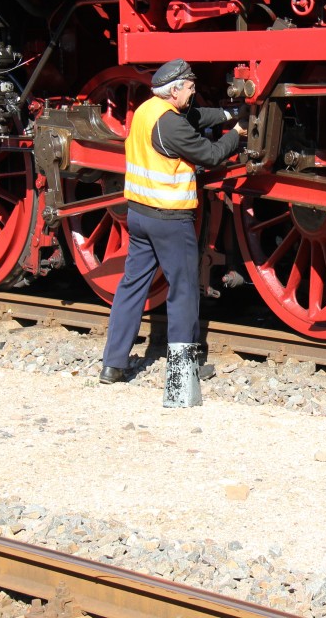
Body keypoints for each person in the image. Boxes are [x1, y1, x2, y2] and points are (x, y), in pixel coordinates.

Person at [99, 58, 246, 408]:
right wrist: (236, 136)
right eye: (190, 88)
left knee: (132, 286)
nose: (193, 92)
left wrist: (227, 114)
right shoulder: (172, 128)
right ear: (175, 89)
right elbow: (210, 155)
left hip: (138, 214)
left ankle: (112, 364)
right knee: (182, 292)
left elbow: (195, 117)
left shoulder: (149, 111)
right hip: (169, 218)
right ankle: (183, 373)